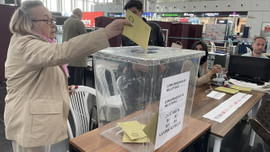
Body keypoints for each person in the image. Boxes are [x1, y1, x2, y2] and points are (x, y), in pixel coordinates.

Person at [4, 1, 132, 152]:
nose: (53, 24)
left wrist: (62, 89)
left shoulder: (40, 43)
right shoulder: (25, 44)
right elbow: (62, 52)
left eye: (52, 19)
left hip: (37, 123)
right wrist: (106, 33)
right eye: (47, 20)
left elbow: (39, 79)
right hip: (28, 122)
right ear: (28, 23)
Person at [62, 8, 87, 85]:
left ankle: (70, 96)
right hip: (78, 56)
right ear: (79, 15)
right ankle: (77, 96)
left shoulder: (66, 22)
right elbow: (85, 37)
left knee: (70, 80)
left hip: (68, 55)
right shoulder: (78, 22)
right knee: (77, 82)